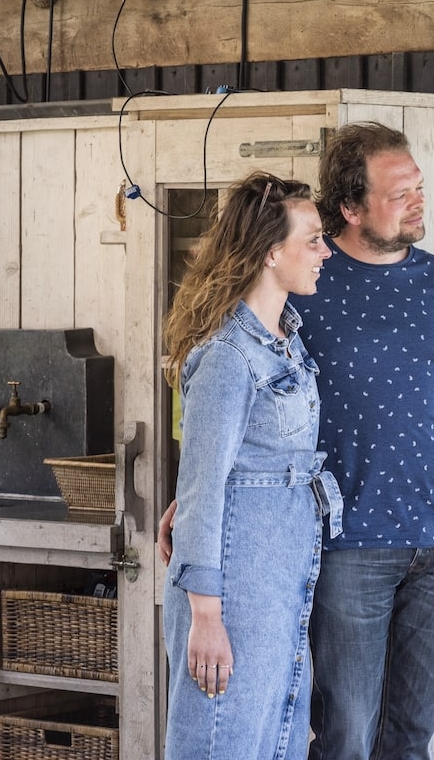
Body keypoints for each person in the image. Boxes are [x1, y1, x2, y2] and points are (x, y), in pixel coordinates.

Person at [300, 121, 434, 760]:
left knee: (410, 739)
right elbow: (252, 397)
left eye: (419, 187)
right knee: (347, 736)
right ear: (350, 208)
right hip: (347, 544)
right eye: (398, 192)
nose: (418, 201)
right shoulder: (307, 280)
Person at [161, 172, 340, 760]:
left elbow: (227, 474)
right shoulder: (227, 357)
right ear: (270, 252)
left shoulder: (284, 342)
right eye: (312, 238)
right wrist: (205, 617)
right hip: (234, 598)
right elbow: (204, 487)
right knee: (223, 744)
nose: (325, 250)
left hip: (279, 589)